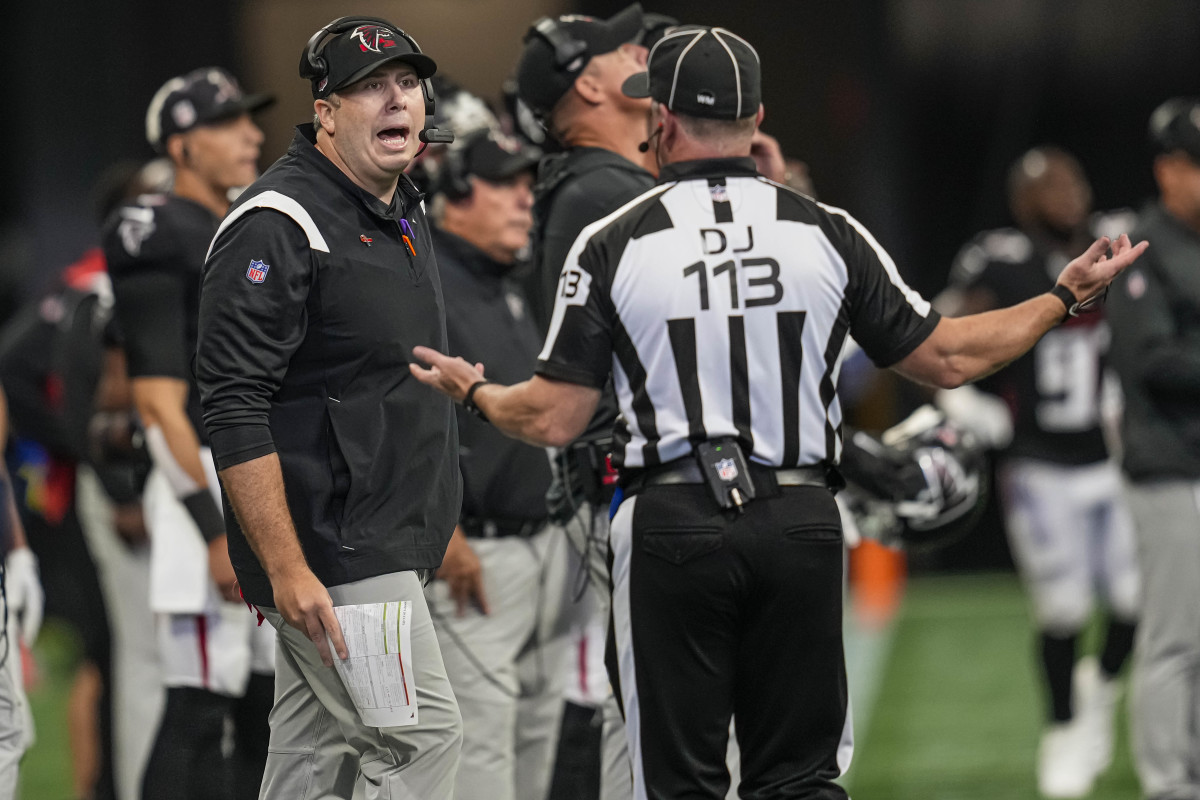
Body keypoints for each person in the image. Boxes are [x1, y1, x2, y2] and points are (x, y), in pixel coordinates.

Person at [411, 26, 1147, 799]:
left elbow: (556, 417)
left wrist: (476, 393)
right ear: (755, 117)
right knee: (799, 780)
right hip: (798, 514)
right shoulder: (823, 228)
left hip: (670, 523)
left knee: (679, 784)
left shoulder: (612, 238)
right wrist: (1061, 298)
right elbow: (951, 355)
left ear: (660, 121)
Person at [195, 16, 463, 800]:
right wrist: (286, 567)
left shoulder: (396, 202)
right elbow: (234, 406)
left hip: (377, 541)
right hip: (338, 555)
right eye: (369, 87)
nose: (395, 101)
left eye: (407, 84)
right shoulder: (278, 222)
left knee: (313, 764)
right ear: (326, 112)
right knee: (420, 744)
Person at [936, 146, 1140, 798]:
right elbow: (942, 330)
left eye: (1072, 180)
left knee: (1138, 601)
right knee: (1064, 607)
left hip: (1118, 457)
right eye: (1049, 188)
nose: (1067, 194)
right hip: (1040, 461)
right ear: (1024, 205)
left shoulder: (1121, 239)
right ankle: (1061, 727)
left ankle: (1100, 688)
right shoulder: (1000, 258)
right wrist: (963, 401)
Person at [104, 67, 277, 800]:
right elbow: (156, 403)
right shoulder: (158, 230)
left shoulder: (246, 225)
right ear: (181, 146)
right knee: (200, 705)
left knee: (266, 706)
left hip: (261, 474)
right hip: (202, 475)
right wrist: (213, 528)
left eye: (250, 119)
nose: (252, 135)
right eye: (227, 123)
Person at [426, 126, 581, 800]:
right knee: (481, 749)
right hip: (476, 551)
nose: (525, 201)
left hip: (543, 544)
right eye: (508, 185)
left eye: (530, 187)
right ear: (456, 192)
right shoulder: (424, 278)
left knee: (535, 732)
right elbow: (400, 417)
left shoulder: (505, 279)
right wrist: (444, 530)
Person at [1106, 97, 1200, 800]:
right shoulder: (1142, 246)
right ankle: (1168, 786)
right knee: (1175, 641)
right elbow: (1153, 363)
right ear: (1169, 169)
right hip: (1169, 465)